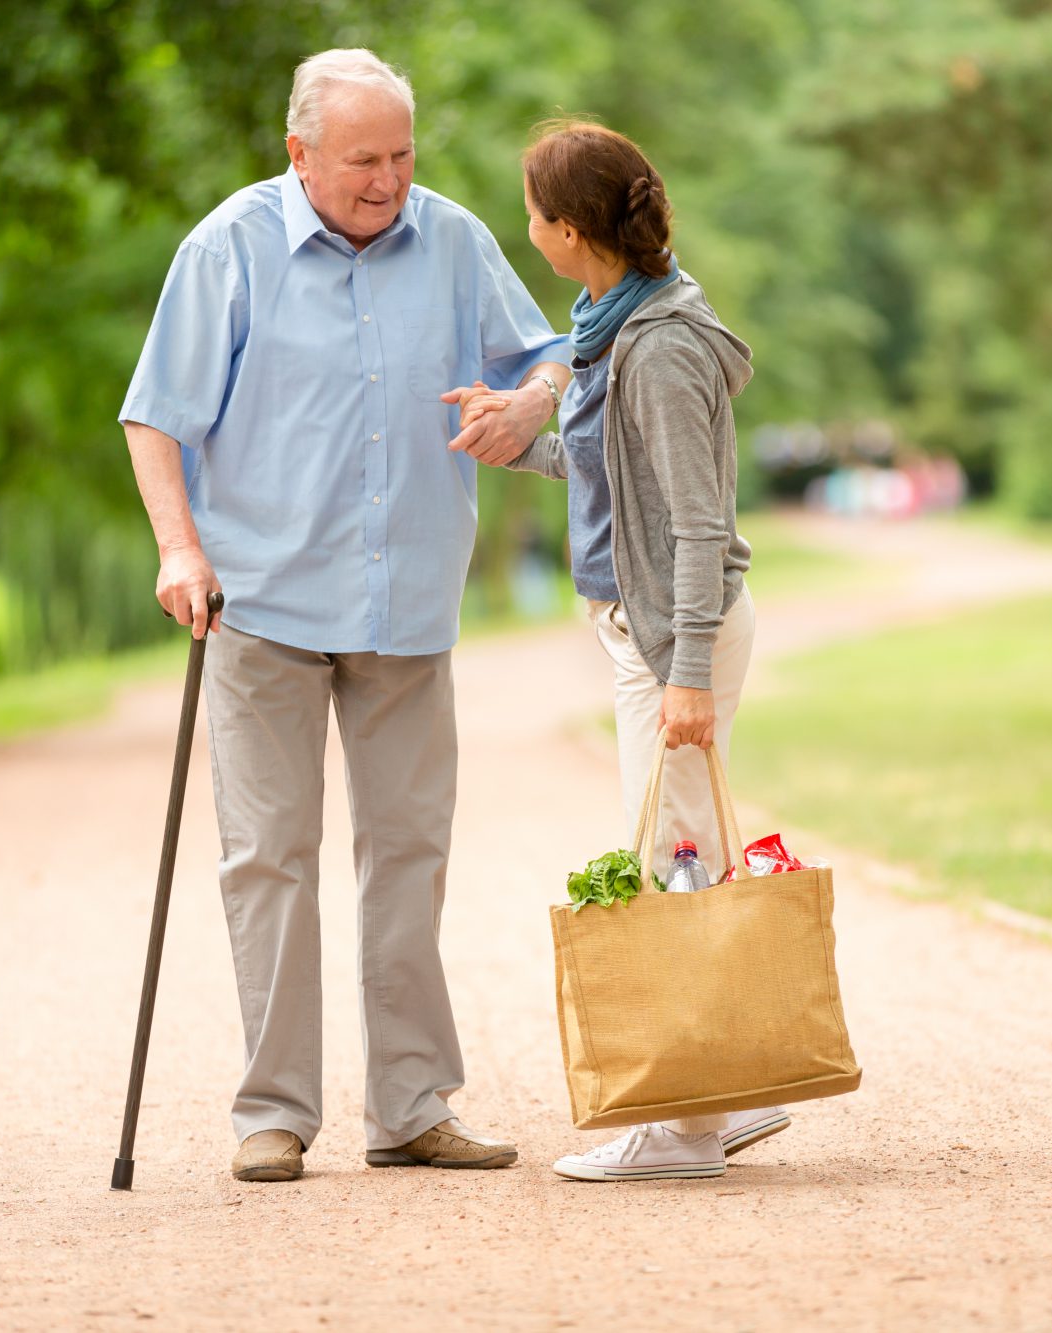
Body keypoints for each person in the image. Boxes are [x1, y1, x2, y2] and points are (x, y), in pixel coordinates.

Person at [119, 48, 572, 1183]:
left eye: (401, 155)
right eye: (362, 159)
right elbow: (154, 415)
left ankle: (411, 1106)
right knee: (268, 857)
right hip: (261, 602)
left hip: (405, 602)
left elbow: (558, 353)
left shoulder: (454, 240)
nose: (386, 180)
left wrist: (526, 407)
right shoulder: (227, 247)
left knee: (407, 855)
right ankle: (272, 1111)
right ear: (299, 154)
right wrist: (180, 544)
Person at [447, 121, 789, 1183]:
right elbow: (617, 482)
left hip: (670, 642)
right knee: (682, 854)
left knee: (664, 864)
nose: (527, 230)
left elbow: (696, 523)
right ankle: (717, 1100)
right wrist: (524, 443)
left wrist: (685, 670)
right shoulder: (609, 322)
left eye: (531, 213)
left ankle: (679, 1127)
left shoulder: (662, 347)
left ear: (566, 229)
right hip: (646, 635)